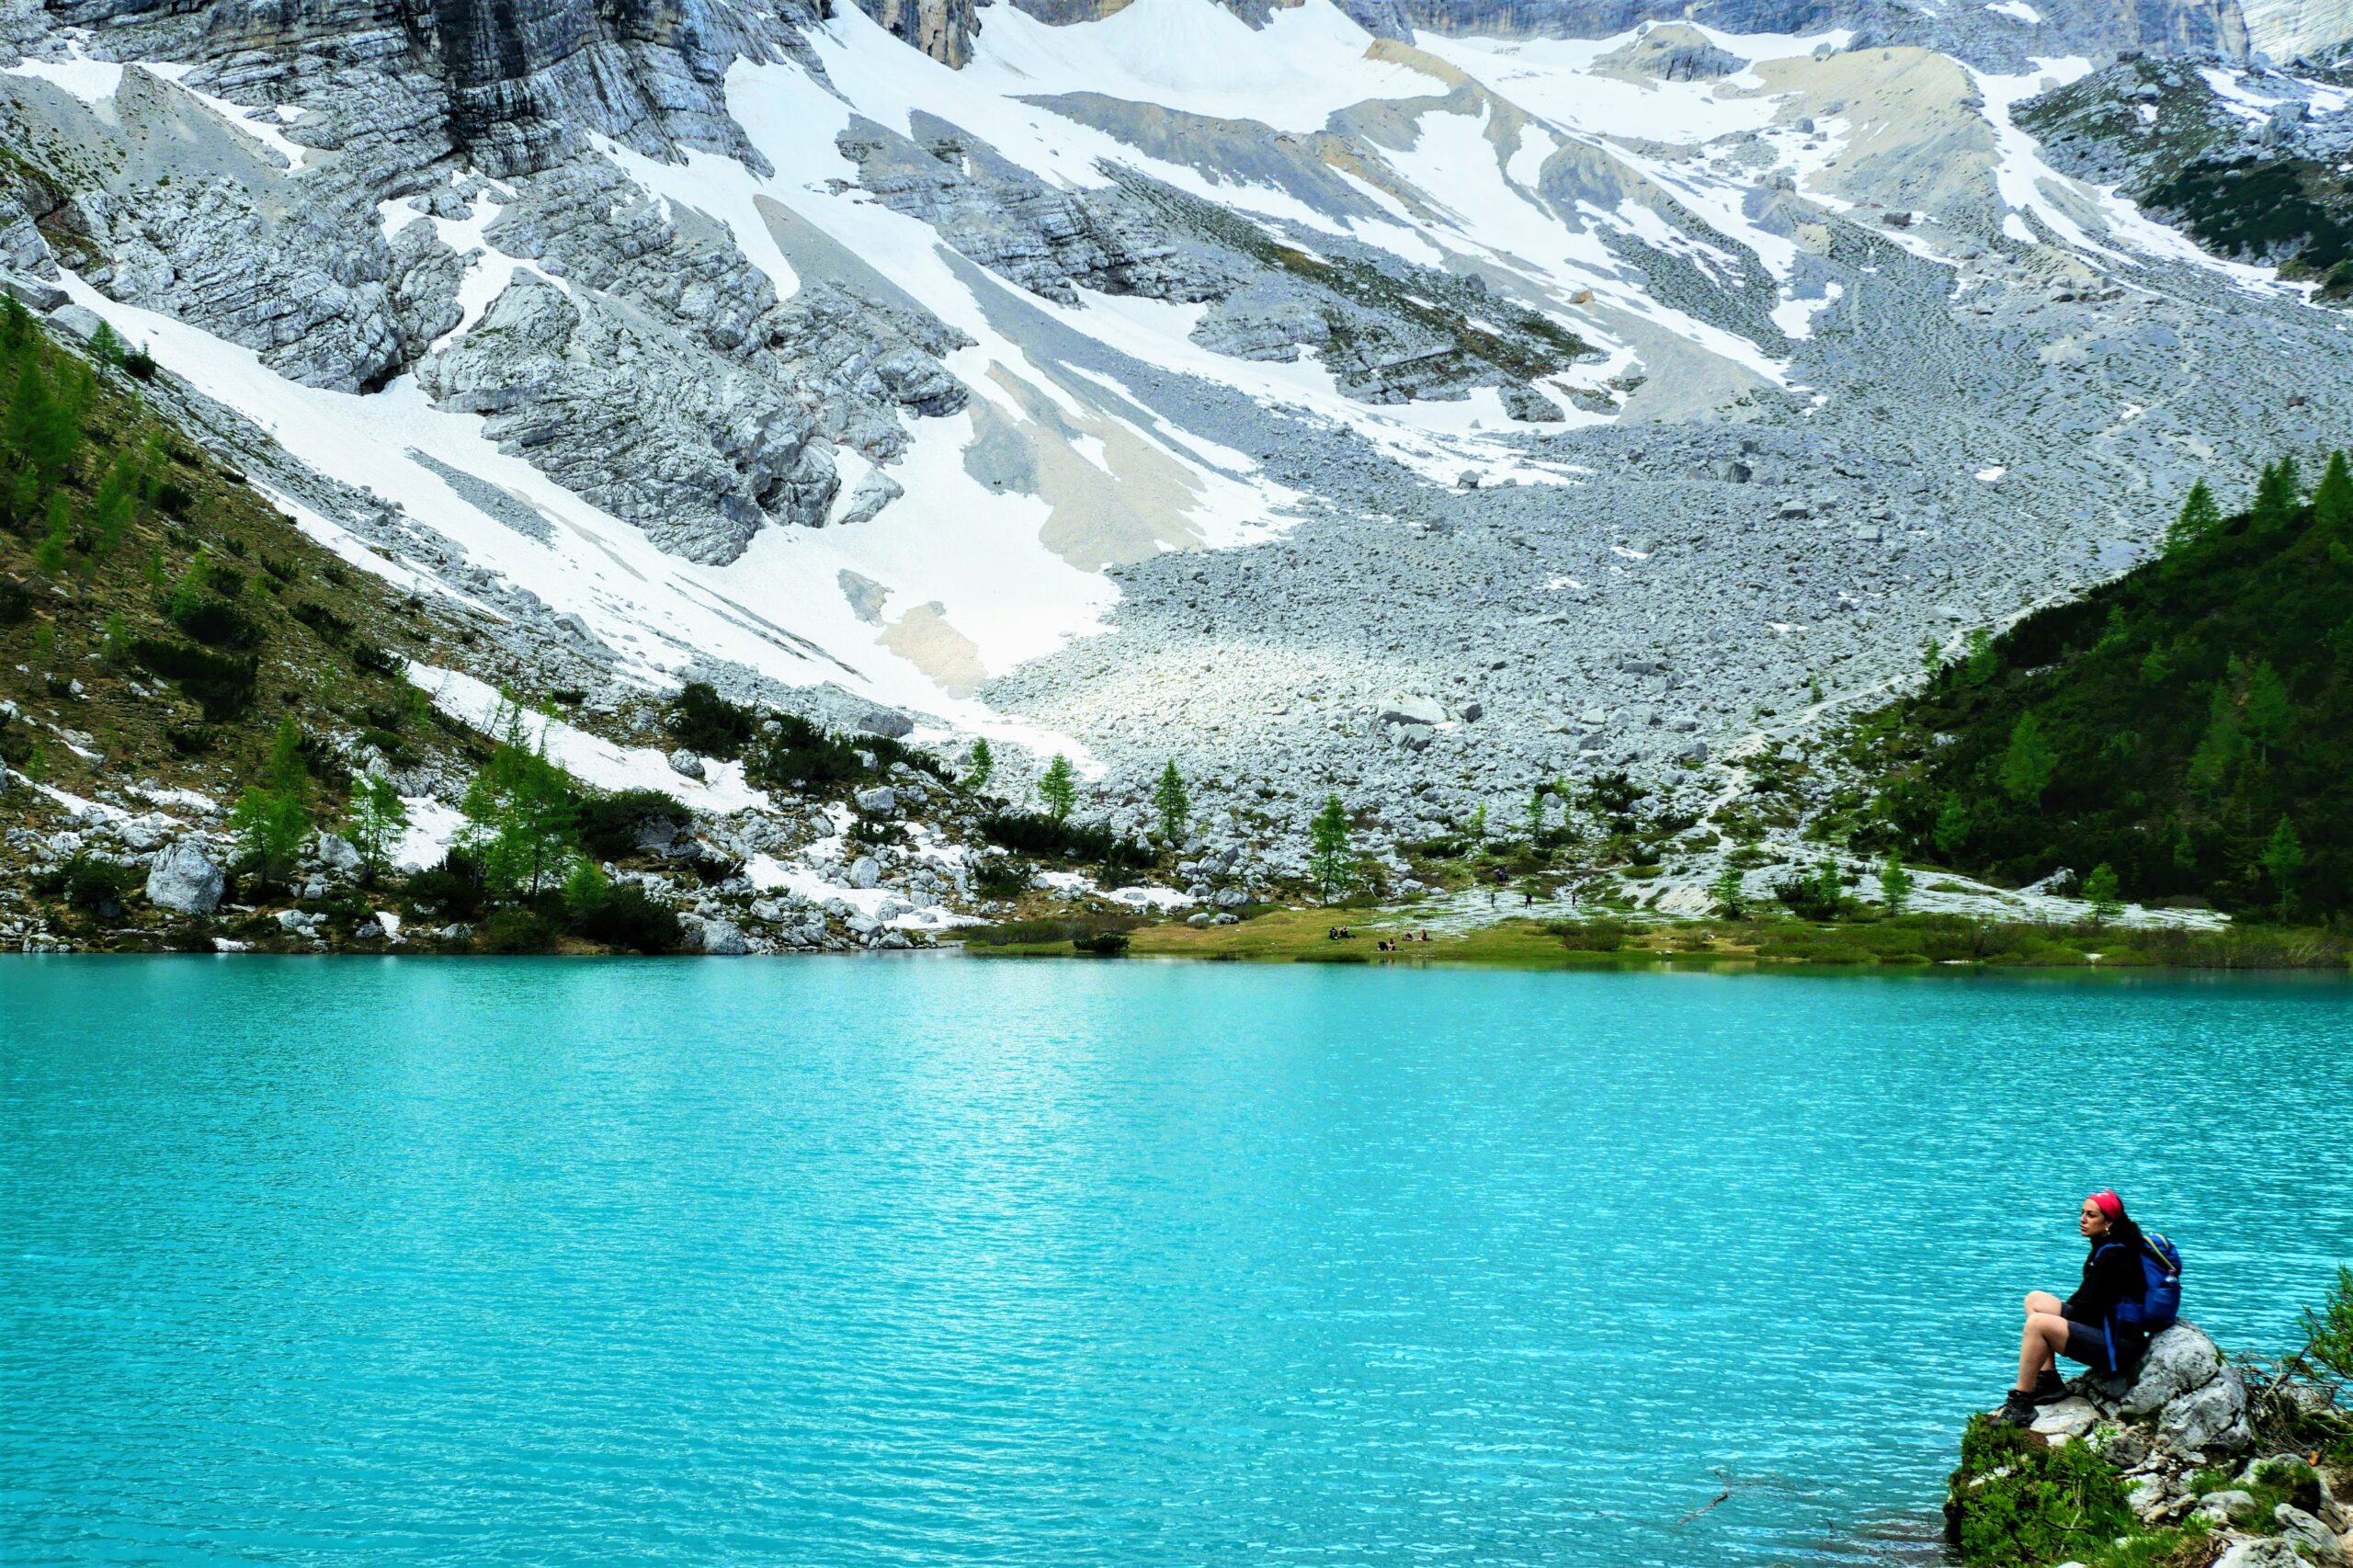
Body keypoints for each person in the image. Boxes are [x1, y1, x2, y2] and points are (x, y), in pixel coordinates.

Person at [1996, 1189, 2153, 1426]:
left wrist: (2054, 1328)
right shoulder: (2107, 1246)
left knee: (2038, 1324)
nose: (2082, 1219)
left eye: (2091, 1215)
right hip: (2107, 1328)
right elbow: (2085, 1301)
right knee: (2035, 1300)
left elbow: (2086, 1310)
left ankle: (2021, 1403)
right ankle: (2048, 1380)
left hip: (2119, 1347)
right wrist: (2064, 1315)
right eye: (2082, 1213)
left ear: (2109, 1222)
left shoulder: (2115, 1256)